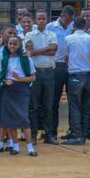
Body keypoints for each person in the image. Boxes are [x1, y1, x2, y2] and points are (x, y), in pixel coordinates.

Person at [0, 33, 37, 156]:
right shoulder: (5, 59)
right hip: (9, 90)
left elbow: (32, 78)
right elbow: (2, 77)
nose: (12, 46)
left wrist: (19, 79)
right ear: (7, 45)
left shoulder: (25, 58)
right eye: (10, 43)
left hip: (21, 90)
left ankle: (30, 148)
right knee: (10, 120)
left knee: (24, 119)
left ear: (20, 45)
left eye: (15, 44)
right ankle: (15, 146)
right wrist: (5, 81)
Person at [25, 11, 59, 145]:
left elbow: (54, 50)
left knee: (48, 105)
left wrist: (34, 51)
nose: (41, 21)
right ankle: (33, 134)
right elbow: (28, 51)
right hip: (35, 73)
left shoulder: (52, 34)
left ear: (47, 20)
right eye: (39, 18)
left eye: (43, 18)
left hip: (49, 72)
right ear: (35, 20)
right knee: (33, 105)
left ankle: (48, 134)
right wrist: (45, 49)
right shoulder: (29, 35)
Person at [62, 16, 90, 145]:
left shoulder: (69, 38)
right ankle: (84, 133)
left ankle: (76, 135)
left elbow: (65, 56)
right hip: (89, 74)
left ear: (73, 26)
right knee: (86, 106)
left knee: (75, 106)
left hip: (75, 75)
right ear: (86, 26)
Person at [46, 6, 75, 141]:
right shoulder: (50, 27)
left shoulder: (74, 27)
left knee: (73, 100)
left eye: (71, 21)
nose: (68, 23)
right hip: (56, 66)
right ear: (62, 15)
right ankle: (52, 132)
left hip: (70, 67)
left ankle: (72, 131)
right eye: (67, 20)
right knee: (54, 101)